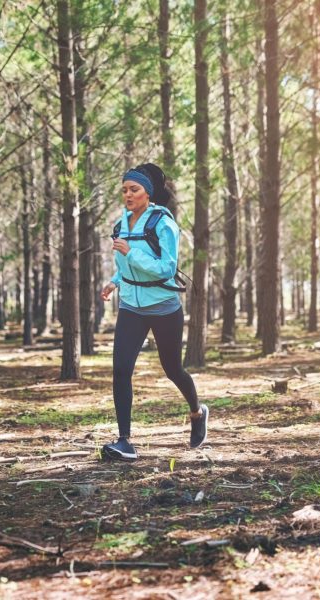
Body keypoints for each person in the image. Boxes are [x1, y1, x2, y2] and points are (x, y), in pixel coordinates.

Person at [99, 163, 207, 461]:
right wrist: (114, 281)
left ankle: (197, 413)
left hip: (163, 307)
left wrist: (130, 253)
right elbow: (126, 266)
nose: (128, 195)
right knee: (121, 369)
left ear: (148, 193)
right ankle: (124, 441)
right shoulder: (121, 223)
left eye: (134, 189)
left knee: (173, 369)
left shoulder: (163, 224)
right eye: (124, 190)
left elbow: (167, 268)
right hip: (131, 306)